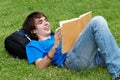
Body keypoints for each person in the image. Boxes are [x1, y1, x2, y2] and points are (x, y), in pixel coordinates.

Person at [22, 11, 120, 80]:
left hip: (90, 55)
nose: (46, 23)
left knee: (113, 51)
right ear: (33, 31)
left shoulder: (56, 35)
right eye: (40, 22)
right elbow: (40, 66)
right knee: (97, 21)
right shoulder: (33, 45)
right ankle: (117, 73)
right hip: (72, 61)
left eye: (46, 20)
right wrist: (55, 46)